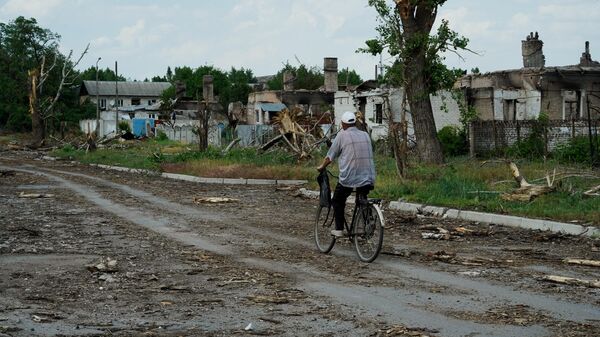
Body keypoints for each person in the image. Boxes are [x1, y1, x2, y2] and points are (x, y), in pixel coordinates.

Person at [317, 111, 376, 237]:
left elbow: (330, 156)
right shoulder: (365, 135)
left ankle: (339, 229)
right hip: (368, 176)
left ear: (343, 124)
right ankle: (367, 216)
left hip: (349, 178)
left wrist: (322, 167)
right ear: (354, 123)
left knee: (337, 200)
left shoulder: (342, 135)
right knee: (361, 197)